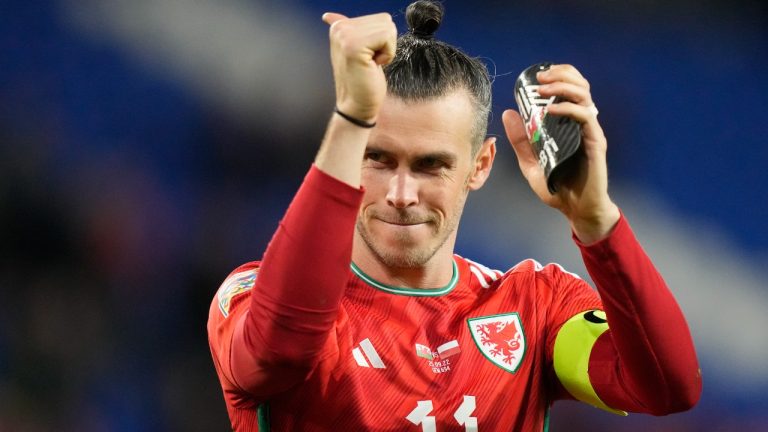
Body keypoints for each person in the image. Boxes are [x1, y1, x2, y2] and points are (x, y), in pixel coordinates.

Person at [207, 1, 702, 430]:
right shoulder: (251, 297)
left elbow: (667, 387)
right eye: (377, 158)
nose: (401, 193)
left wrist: (596, 220)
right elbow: (278, 352)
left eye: (430, 165)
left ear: (480, 166)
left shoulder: (533, 308)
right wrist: (353, 113)